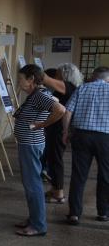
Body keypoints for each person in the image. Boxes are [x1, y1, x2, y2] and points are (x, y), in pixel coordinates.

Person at [13, 65, 65, 236]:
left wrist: (41, 125)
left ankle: (38, 225)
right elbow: (56, 103)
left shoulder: (39, 95)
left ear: (31, 80)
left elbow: (60, 110)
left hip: (31, 144)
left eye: (21, 79)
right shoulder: (39, 94)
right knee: (31, 184)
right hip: (30, 144)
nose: (19, 82)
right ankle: (34, 218)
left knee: (33, 185)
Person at [62, 66, 109, 224]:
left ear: (93, 77)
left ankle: (74, 214)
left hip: (81, 136)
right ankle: (103, 212)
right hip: (105, 138)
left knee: (78, 175)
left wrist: (65, 132)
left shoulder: (82, 88)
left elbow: (67, 112)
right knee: (105, 175)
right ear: (107, 78)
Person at [42, 63, 84, 202]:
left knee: (56, 160)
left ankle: (59, 193)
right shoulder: (68, 88)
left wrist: (33, 73)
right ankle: (55, 188)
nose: (55, 76)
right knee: (53, 158)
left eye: (58, 73)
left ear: (64, 74)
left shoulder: (67, 86)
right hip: (56, 128)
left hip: (59, 129)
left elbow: (45, 79)